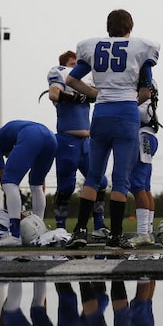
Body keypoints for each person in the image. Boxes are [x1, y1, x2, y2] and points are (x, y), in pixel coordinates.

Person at [64, 9, 160, 250]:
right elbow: (146, 90)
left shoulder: (93, 47)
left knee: (93, 177)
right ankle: (115, 235)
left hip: (102, 114)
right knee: (120, 180)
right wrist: (129, 101)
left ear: (108, 27)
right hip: (126, 114)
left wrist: (96, 94)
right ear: (130, 27)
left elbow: (71, 80)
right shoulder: (140, 48)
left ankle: (80, 231)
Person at [46, 50, 109, 238]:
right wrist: (74, 97)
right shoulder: (60, 73)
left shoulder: (86, 79)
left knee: (100, 182)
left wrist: (88, 95)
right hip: (68, 140)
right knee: (66, 186)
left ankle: (98, 225)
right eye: (73, 64)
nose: (76, 67)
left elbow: (98, 94)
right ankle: (60, 228)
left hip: (87, 142)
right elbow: (54, 94)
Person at [0, 120, 57, 245]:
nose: (7, 157)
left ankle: (15, 235)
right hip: (50, 136)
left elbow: (3, 175)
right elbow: (41, 183)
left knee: (9, 182)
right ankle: (39, 230)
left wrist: (15, 211)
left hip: (31, 135)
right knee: (36, 185)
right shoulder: (15, 133)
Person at [130, 82, 163, 246]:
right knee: (145, 186)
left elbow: (132, 115)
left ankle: (143, 232)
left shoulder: (143, 104)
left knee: (138, 185)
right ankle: (147, 231)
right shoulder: (149, 104)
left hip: (142, 137)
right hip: (147, 137)